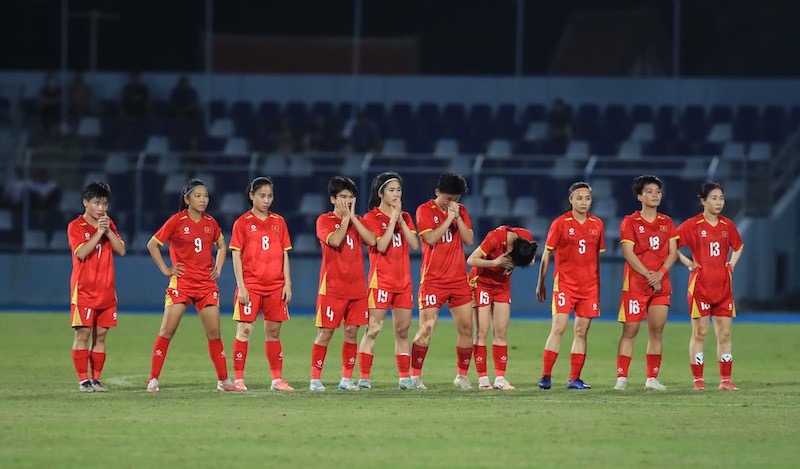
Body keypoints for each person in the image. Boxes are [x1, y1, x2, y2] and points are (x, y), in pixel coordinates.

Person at [145, 179, 237, 393]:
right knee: (167, 331)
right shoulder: (176, 221)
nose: (203, 200)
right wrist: (166, 269)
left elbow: (222, 246)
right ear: (187, 200)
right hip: (182, 284)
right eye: (198, 196)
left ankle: (223, 381)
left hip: (206, 285)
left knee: (215, 334)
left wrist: (218, 268)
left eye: (205, 196)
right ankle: (153, 379)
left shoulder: (211, 222)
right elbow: (152, 245)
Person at [535, 182, 605, 390]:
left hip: (589, 287)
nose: (584, 202)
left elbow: (596, 258)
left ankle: (574, 379)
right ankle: (546, 375)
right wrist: (541, 282)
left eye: (587, 199)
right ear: (571, 200)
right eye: (579, 198)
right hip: (565, 284)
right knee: (558, 328)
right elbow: (547, 253)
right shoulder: (560, 223)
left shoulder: (597, 224)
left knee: (582, 332)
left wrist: (598, 284)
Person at [310, 176, 377, 391]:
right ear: (332, 199)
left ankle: (346, 379)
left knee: (351, 333)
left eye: (351, 197)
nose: (347, 201)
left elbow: (372, 241)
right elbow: (335, 241)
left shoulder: (358, 221)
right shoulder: (324, 220)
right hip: (332, 288)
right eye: (343, 197)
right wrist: (346, 219)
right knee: (325, 333)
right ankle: (315, 379)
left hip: (357, 289)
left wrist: (352, 219)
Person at [676, 182, 744, 391]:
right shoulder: (692, 225)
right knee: (700, 333)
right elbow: (671, 244)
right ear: (703, 201)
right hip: (700, 288)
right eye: (714, 198)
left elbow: (739, 246)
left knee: (725, 335)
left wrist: (731, 264)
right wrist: (687, 262)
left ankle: (726, 380)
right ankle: (698, 380)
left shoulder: (727, 225)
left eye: (721, 198)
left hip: (723, 289)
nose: (719, 202)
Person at [229, 177, 295, 392]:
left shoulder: (279, 221)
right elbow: (236, 255)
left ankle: (277, 379)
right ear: (251, 196)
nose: (267, 200)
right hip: (251, 285)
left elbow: (285, 254)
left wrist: (287, 283)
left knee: (274, 332)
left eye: (270, 196)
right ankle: (239, 379)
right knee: (245, 330)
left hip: (275, 286)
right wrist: (241, 286)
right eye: (262, 196)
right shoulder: (242, 222)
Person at [356, 172, 420, 390]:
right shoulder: (371, 217)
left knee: (402, 331)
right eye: (391, 190)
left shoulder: (406, 217)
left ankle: (404, 377)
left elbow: (414, 245)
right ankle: (364, 377)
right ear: (380, 193)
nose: (396, 194)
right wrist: (392, 220)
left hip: (403, 283)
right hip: (381, 282)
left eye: (399, 190)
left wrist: (400, 219)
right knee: (373, 330)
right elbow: (381, 246)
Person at [412, 172, 475, 390]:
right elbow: (430, 238)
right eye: (448, 198)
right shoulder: (424, 210)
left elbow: (469, 240)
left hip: (458, 280)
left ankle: (462, 376)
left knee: (467, 328)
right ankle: (415, 376)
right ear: (437, 192)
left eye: (456, 199)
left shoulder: (461, 211)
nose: (452, 203)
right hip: (433, 280)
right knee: (426, 329)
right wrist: (449, 218)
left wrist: (457, 218)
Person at [614, 175, 678, 391]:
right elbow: (628, 254)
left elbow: (672, 252)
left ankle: (651, 378)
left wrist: (660, 274)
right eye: (649, 192)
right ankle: (622, 378)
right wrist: (650, 275)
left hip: (661, 285)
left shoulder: (667, 222)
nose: (655, 195)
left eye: (658, 191)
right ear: (640, 197)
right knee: (630, 331)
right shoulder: (630, 222)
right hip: (635, 285)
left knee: (656, 331)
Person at [67, 181, 126, 392]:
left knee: (100, 337)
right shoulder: (76, 226)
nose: (101, 208)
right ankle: (83, 380)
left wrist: (108, 231)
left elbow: (121, 250)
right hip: (84, 291)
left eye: (105, 204)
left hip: (106, 291)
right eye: (97, 203)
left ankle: (96, 379)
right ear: (85, 202)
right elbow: (81, 253)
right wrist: (99, 233)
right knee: (82, 336)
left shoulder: (109, 224)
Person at [468, 225, 537, 391]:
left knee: (500, 332)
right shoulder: (494, 238)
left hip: (502, 287)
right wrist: (495, 262)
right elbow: (471, 260)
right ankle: (483, 378)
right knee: (482, 332)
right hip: (482, 284)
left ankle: (500, 378)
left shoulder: (525, 236)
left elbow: (531, 260)